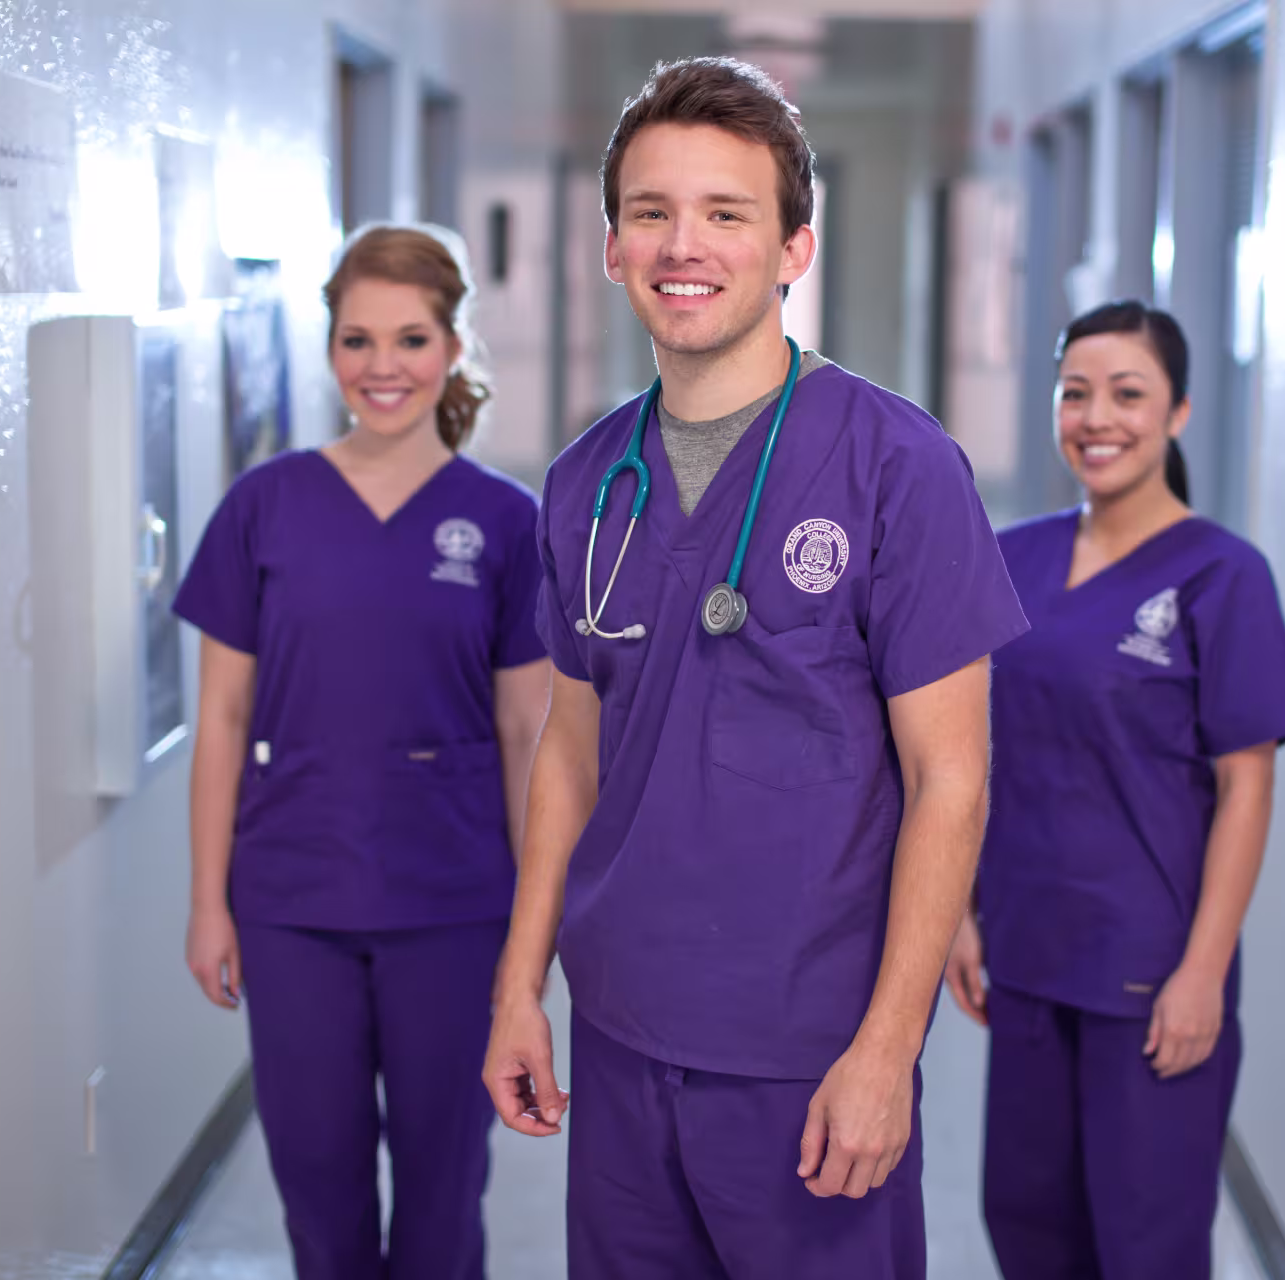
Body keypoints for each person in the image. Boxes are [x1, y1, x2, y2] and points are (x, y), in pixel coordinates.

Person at [479, 58, 1029, 1280]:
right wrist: (521, 985)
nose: (687, 244)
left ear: (794, 248)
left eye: (727, 213)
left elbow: (953, 779)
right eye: (653, 212)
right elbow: (569, 754)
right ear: (612, 246)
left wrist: (889, 1048)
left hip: (808, 1048)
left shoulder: (898, 466)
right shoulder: (584, 482)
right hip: (622, 1031)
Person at [176, 224, 551, 1280]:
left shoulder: (504, 524)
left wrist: (533, 925)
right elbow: (219, 719)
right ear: (330, 349)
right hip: (294, 898)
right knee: (319, 1189)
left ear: (453, 348)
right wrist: (210, 900)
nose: (383, 365)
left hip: (455, 899)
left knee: (442, 1192)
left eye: (411, 337)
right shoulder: (264, 508)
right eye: (357, 339)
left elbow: (530, 730)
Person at [944, 301, 1285, 1280]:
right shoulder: (1010, 556)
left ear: (1179, 412)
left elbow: (1248, 789)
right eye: (1075, 393)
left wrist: (1203, 971)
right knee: (1027, 1223)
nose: (1096, 417)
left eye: (1127, 393)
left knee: (1145, 1243)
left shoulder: (1223, 577)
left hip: (1149, 975)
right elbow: (967, 752)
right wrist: (959, 913)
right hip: (1026, 954)